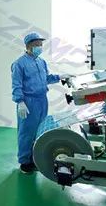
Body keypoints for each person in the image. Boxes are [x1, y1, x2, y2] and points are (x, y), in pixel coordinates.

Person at [11, 32, 70, 173]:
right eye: (37, 45)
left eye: (41, 44)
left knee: (40, 131)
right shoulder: (19, 64)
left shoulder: (41, 62)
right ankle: (25, 162)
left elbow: (46, 78)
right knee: (27, 133)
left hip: (42, 100)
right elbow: (16, 85)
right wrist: (20, 102)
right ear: (29, 46)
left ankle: (34, 158)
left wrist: (60, 76)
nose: (40, 47)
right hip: (28, 102)